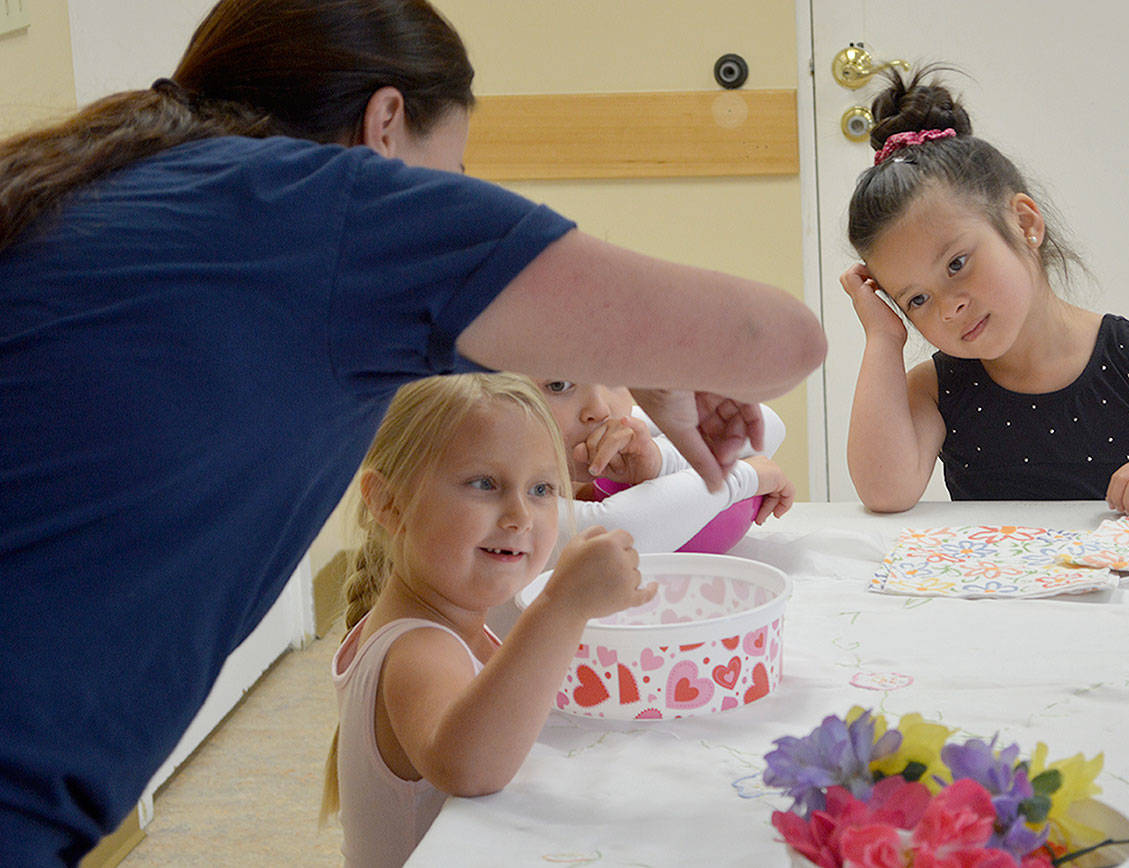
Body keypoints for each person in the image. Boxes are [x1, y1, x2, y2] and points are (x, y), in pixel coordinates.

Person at [0, 0, 825, 861]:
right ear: (386, 126)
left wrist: (637, 361)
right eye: (454, 171)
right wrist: (626, 346)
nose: (451, 198)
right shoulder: (339, 206)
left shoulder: (107, 186)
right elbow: (783, 344)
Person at [839, 66, 1129, 514]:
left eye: (957, 264)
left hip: (1127, 591)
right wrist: (883, 339)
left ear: (1024, 223)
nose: (949, 306)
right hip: (999, 593)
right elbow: (885, 492)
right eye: (915, 299)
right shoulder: (937, 387)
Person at [318, 373, 653, 867]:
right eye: (484, 484)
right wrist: (561, 606)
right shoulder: (419, 647)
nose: (520, 515)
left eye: (542, 488)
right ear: (389, 502)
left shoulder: (451, 620)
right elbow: (469, 767)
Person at [532, 379, 796, 557]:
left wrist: (659, 460)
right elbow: (611, 535)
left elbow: (763, 423)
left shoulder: (613, 422)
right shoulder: (499, 475)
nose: (600, 409)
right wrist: (744, 479)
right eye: (559, 385)